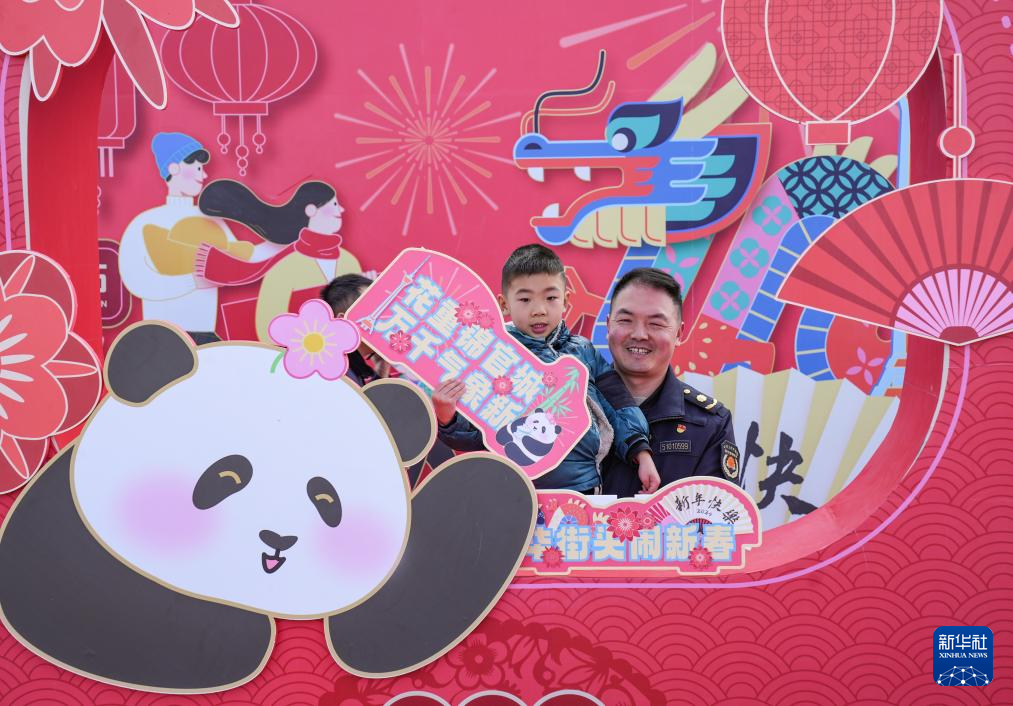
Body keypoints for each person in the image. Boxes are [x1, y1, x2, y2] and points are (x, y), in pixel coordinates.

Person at [433, 244, 660, 494]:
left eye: (550, 298)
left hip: (583, 488)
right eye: (525, 299)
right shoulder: (492, 357)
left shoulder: (583, 351)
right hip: (513, 491)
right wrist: (447, 418)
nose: (539, 310)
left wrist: (640, 452)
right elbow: (477, 436)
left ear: (566, 300)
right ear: (504, 304)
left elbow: (618, 403)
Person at [118, 132, 281, 344]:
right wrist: (193, 281)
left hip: (204, 335)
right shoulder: (144, 223)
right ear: (173, 168)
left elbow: (246, 258)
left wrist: (285, 241)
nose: (203, 176)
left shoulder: (212, 221)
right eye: (197, 168)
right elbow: (137, 280)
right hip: (159, 337)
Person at [602, 268, 740, 497]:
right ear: (608, 325)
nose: (639, 334)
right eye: (626, 320)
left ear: (679, 333)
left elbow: (717, 511)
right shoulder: (573, 406)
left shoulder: (710, 423)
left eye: (655, 324)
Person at [195, 180, 362, 343]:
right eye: (334, 204)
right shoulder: (285, 267)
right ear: (311, 210)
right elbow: (268, 327)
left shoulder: (349, 261)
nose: (341, 209)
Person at [320, 273, 390, 386]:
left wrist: (382, 366)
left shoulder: (355, 368)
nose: (385, 316)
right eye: (373, 309)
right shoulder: (335, 374)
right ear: (345, 322)